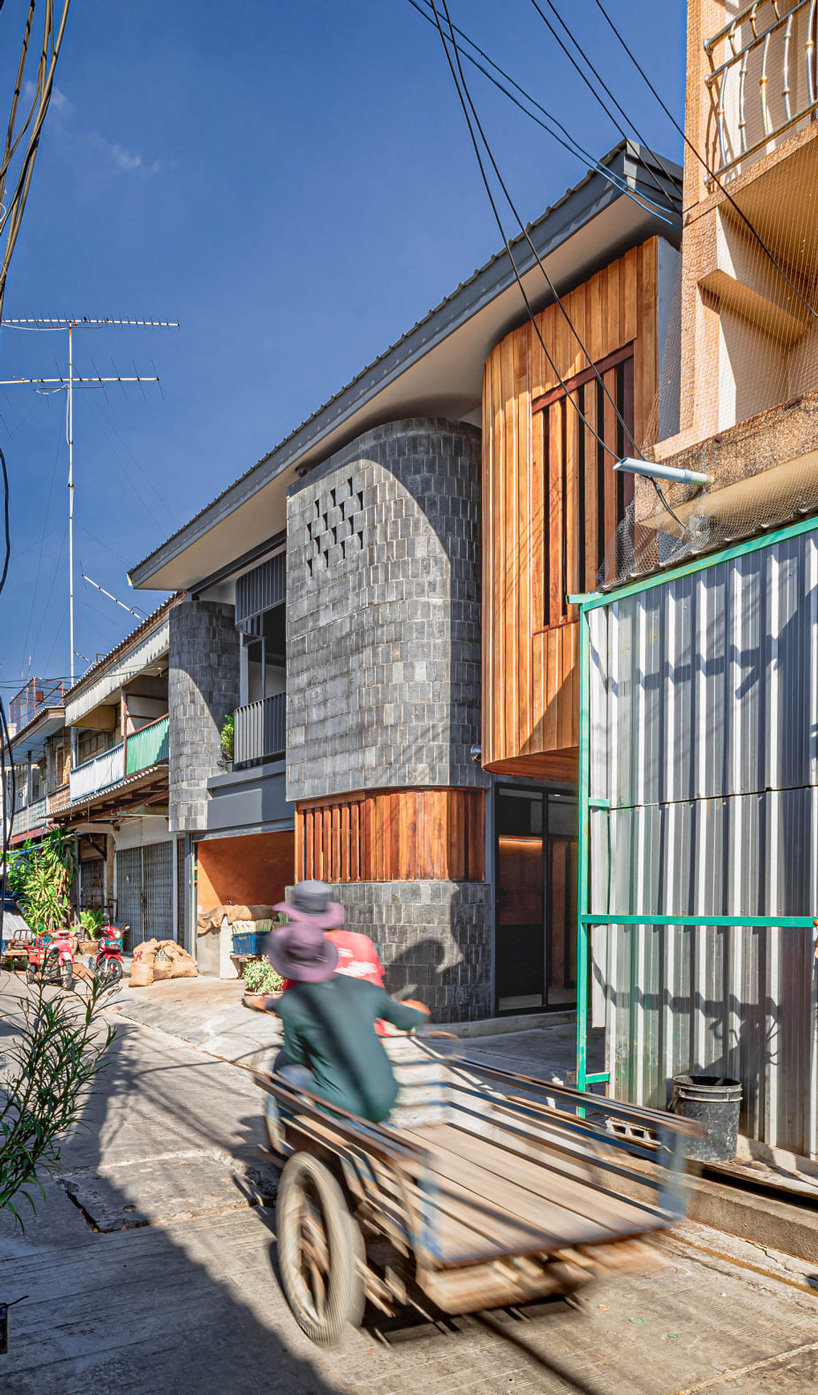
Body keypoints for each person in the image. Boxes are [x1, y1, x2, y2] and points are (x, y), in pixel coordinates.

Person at [263, 881, 429, 1140]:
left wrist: (274, 1005)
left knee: (284, 1067)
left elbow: (298, 1010)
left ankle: (288, 1136)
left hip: (326, 1043)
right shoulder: (361, 942)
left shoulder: (301, 947)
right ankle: (382, 1125)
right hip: (370, 1033)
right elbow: (376, 985)